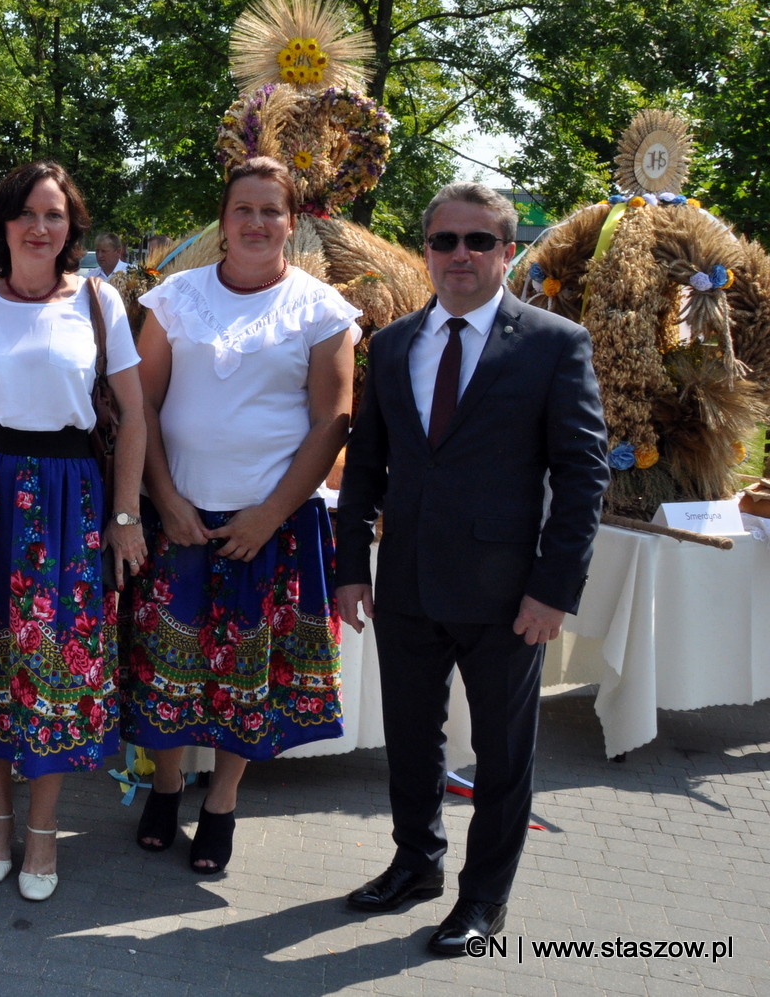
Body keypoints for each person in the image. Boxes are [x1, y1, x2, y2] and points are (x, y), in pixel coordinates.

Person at [335, 182, 608, 955]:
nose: (461, 255)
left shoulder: (556, 344)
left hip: (508, 596)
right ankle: (416, 863)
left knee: (502, 754)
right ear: (426, 250)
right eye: (445, 241)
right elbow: (366, 471)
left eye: (479, 241)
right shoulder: (389, 346)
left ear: (508, 251)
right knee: (412, 738)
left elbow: (584, 475)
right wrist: (352, 566)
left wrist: (555, 589)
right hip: (409, 586)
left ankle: (484, 897)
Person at [123, 157, 359, 874]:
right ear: (222, 222)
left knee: (242, 676)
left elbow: (332, 419)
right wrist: (164, 500)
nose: (256, 223)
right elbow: (143, 406)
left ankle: (221, 803)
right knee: (169, 663)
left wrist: (267, 516)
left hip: (271, 525)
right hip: (179, 516)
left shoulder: (320, 309)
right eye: (242, 210)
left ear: (293, 222)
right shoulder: (175, 299)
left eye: (271, 211)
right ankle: (165, 787)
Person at [0, 160, 148, 902]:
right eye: (26, 212)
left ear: (70, 228)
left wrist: (124, 516)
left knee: (56, 663)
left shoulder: (98, 301)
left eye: (54, 214)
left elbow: (134, 415)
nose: (40, 226)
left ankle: (43, 830)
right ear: (4, 225)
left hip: (68, 500)